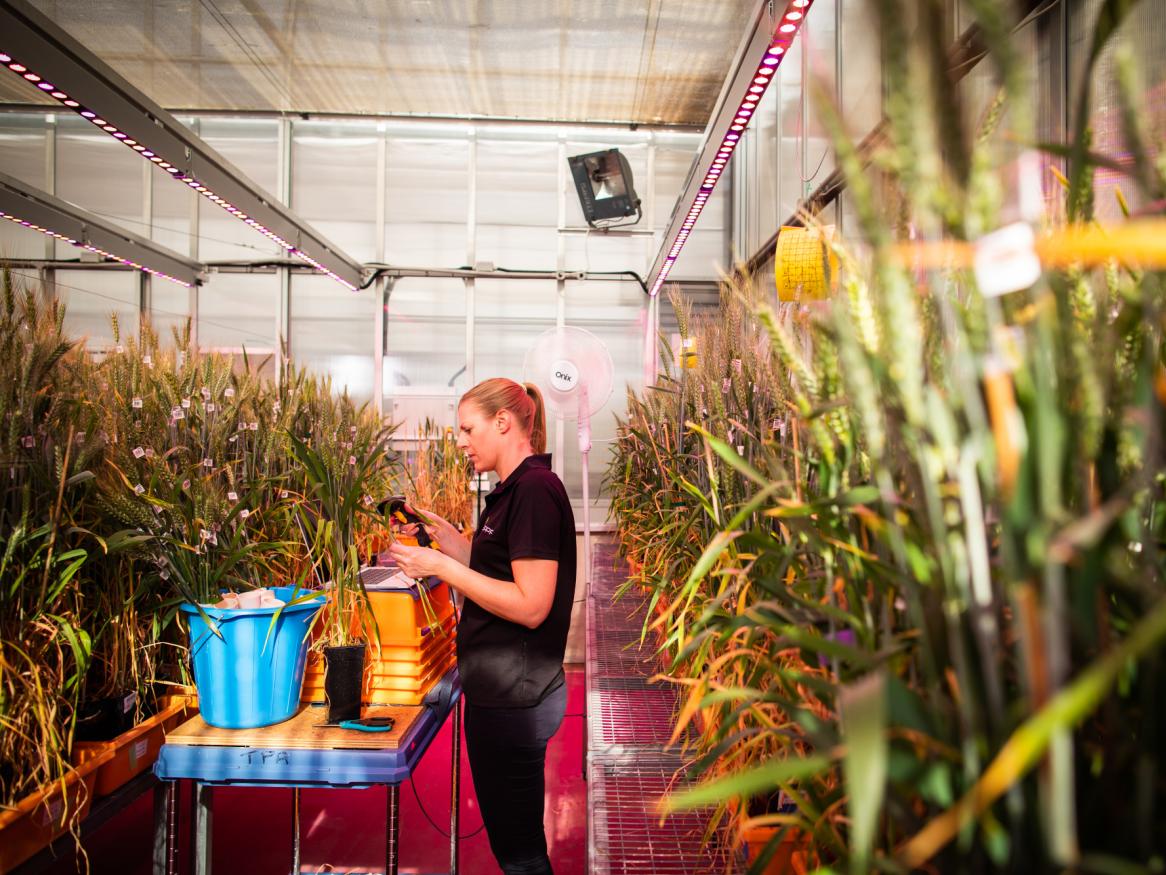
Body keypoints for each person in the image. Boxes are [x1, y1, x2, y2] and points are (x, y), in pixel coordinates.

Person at [387, 377, 576, 875]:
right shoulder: (513, 491)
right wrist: (445, 540)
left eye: (468, 429)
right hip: (505, 687)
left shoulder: (533, 491)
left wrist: (440, 569)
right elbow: (495, 573)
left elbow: (532, 604)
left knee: (520, 853)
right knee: (514, 844)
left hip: (516, 693)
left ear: (503, 421)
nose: (462, 441)